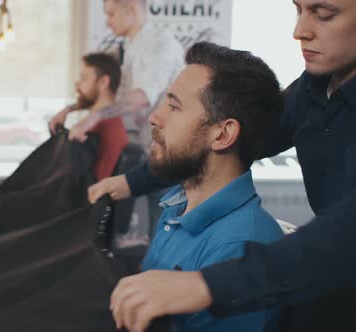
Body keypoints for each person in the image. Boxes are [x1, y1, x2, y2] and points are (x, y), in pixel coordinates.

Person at [90, 0, 356, 331]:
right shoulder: (315, 88)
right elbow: (241, 133)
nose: (299, 31)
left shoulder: (234, 244)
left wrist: (207, 285)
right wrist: (133, 182)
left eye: (325, 14)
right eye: (298, 10)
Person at [111, 41, 285, 332]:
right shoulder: (177, 205)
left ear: (222, 134)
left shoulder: (238, 249)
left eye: (174, 106)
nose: (156, 117)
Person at [49, 0, 184, 151]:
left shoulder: (161, 45)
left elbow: (142, 98)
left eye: (111, 14)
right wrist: (69, 109)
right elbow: (115, 98)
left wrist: (94, 116)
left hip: (172, 148)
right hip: (150, 144)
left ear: (131, 9)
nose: (108, 22)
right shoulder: (131, 48)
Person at [71, 52, 128, 180]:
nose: (77, 85)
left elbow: (94, 191)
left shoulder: (105, 130)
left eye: (84, 78)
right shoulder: (101, 124)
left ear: (103, 82)